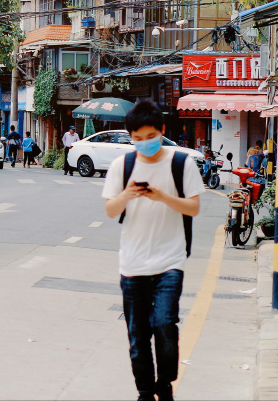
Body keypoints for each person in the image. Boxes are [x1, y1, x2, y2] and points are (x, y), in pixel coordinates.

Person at [103, 99, 201, 401]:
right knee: (137, 334)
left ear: (161, 130)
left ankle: (165, 384)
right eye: (137, 138)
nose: (144, 143)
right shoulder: (123, 165)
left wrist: (160, 196)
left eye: (150, 136)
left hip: (170, 260)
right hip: (132, 263)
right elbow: (110, 210)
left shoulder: (181, 163)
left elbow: (193, 208)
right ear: (130, 137)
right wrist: (128, 194)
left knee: (164, 324)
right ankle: (145, 393)